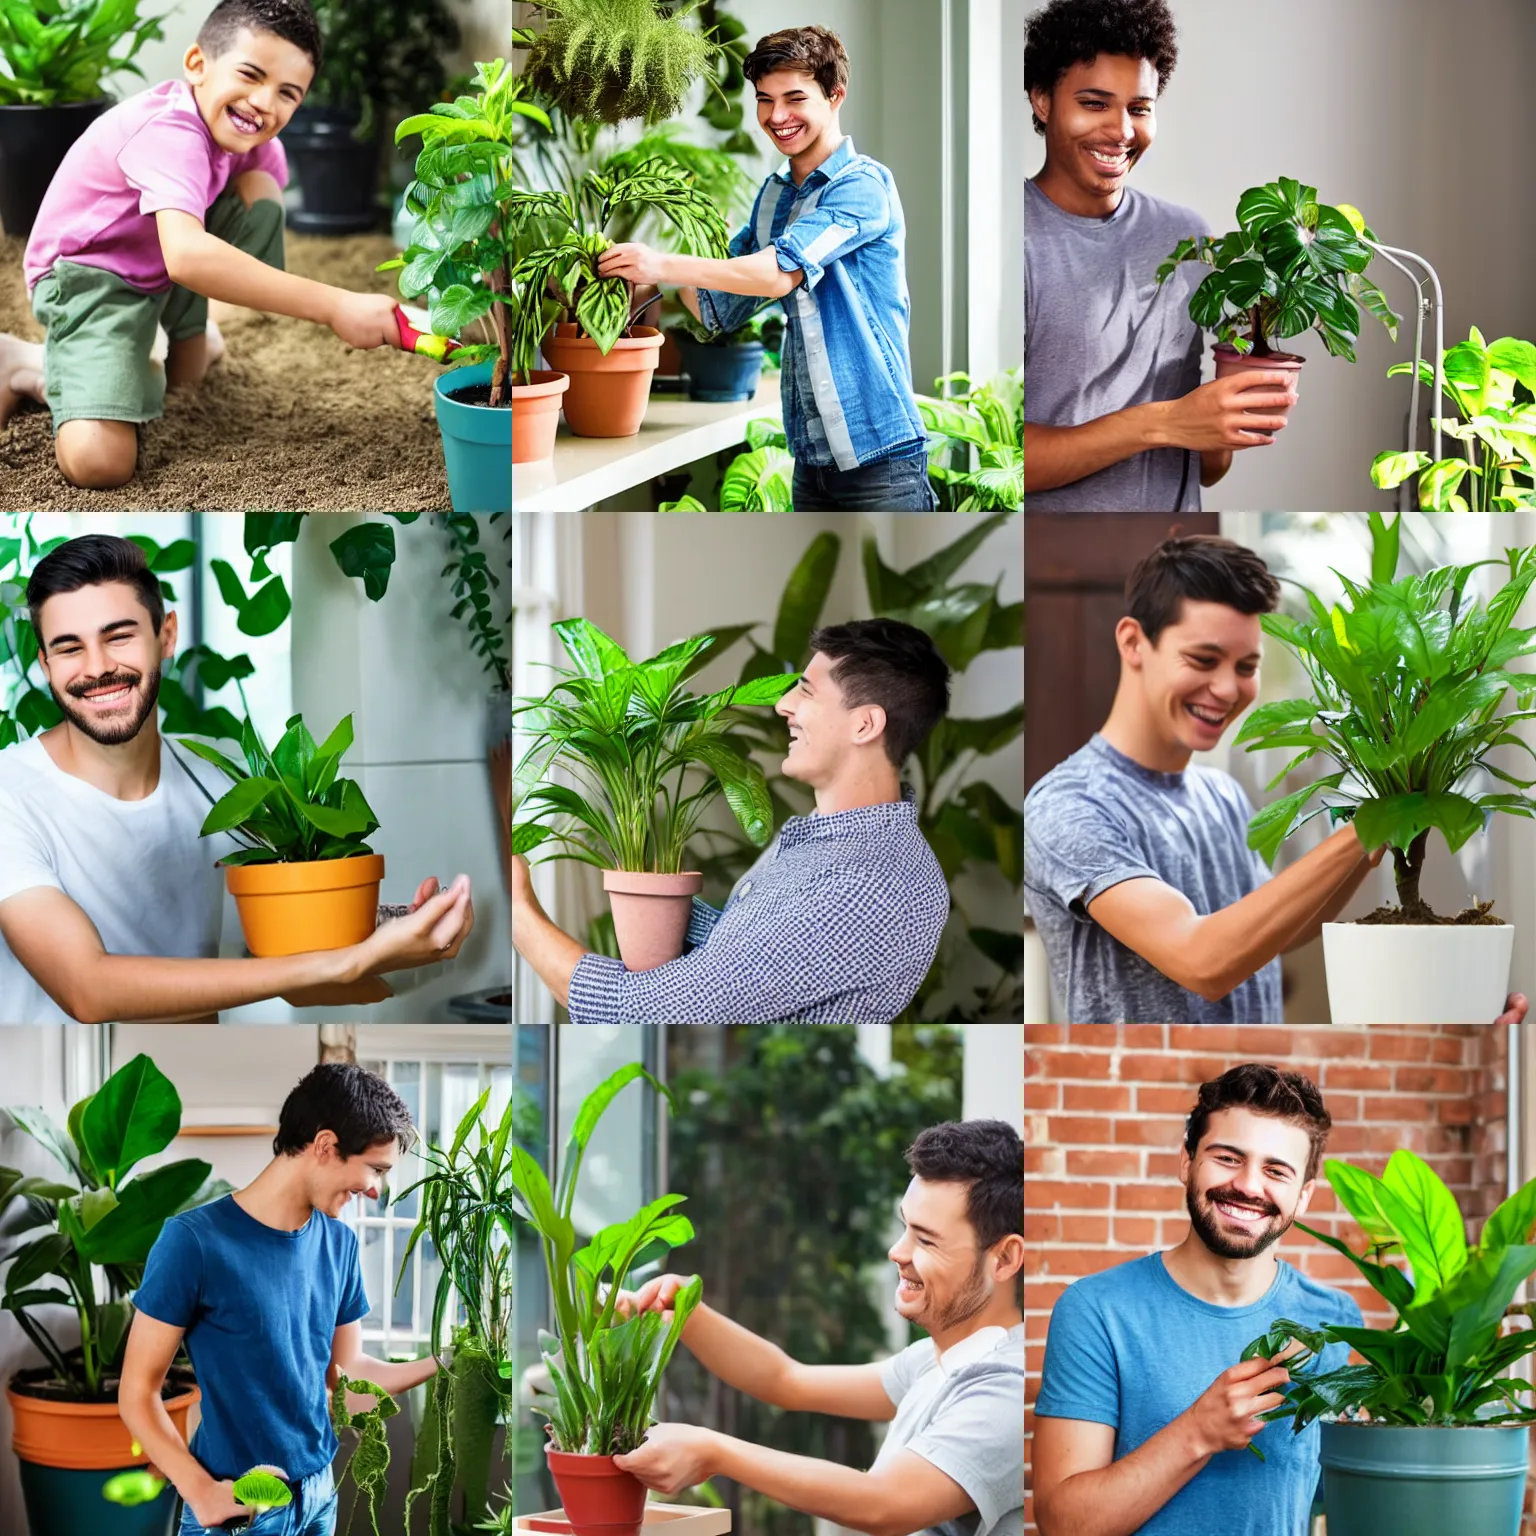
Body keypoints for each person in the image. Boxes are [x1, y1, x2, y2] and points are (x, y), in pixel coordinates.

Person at [1022, 533, 1529, 1025]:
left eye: (1246, 666)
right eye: (1203, 659)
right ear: (1133, 642)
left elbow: (1278, 932)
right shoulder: (1069, 807)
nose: (1226, 688)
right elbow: (1202, 960)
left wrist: (1379, 834)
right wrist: (1377, 818)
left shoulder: (1219, 794)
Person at [0, 534, 475, 1024]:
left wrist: (400, 931)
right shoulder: (9, 794)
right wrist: (347, 960)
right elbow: (87, 989)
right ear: (45, 663)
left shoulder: (218, 783)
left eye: (118, 636)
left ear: (166, 636)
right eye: (69, 647)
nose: (98, 668)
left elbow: (287, 962)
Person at [0, 0, 403, 491]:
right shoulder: (171, 131)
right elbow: (188, 256)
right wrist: (337, 304)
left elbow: (253, 219)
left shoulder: (255, 143)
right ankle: (27, 363)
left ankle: (167, 336)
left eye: (287, 94)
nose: (263, 102)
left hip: (158, 268)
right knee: (99, 464)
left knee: (259, 198)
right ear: (197, 65)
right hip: (89, 277)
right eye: (250, 75)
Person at [512, 618, 950, 1023]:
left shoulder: (873, 884)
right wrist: (654, 887)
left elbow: (640, 1012)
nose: (782, 705)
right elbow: (740, 959)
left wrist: (521, 914)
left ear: (865, 725)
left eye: (806, 692)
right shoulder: (823, 843)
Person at [614, 1119, 1024, 1536]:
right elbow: (786, 1380)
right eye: (905, 1228)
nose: (897, 1252)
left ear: (1005, 1259)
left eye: (927, 1240)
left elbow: (886, 1504)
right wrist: (687, 1312)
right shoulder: (934, 1362)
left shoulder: (1009, 1389)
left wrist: (715, 1452)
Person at [597, 26, 935, 511]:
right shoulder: (775, 196)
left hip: (880, 461)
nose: (777, 117)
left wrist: (663, 260)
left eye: (794, 98)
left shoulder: (864, 186)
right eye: (764, 100)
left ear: (836, 95)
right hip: (811, 462)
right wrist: (646, 274)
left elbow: (778, 273)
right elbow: (718, 305)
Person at [1032, 1065, 1361, 1536]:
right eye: (1228, 1158)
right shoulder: (1096, 1310)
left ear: (1303, 1196)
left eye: (1276, 1170)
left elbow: (1333, 1502)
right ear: (1187, 1163)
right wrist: (1198, 1433)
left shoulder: (1332, 1320)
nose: (1249, 1185)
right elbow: (1063, 1526)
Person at [121, 1063, 439, 1536]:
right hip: (240, 1509)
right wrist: (200, 1490)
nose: (377, 1190)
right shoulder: (193, 1242)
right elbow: (137, 1393)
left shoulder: (339, 1244)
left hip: (319, 1497)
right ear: (326, 1146)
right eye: (375, 1169)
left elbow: (347, 1382)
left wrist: (443, 1361)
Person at [1023, 0, 1298, 510]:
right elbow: (1000, 462)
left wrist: (1229, 411)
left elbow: (1207, 469)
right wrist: (1166, 422)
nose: (1123, 131)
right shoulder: (1011, 237)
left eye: (1140, 108)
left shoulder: (1187, 238)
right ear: (1043, 100)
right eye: (1095, 103)